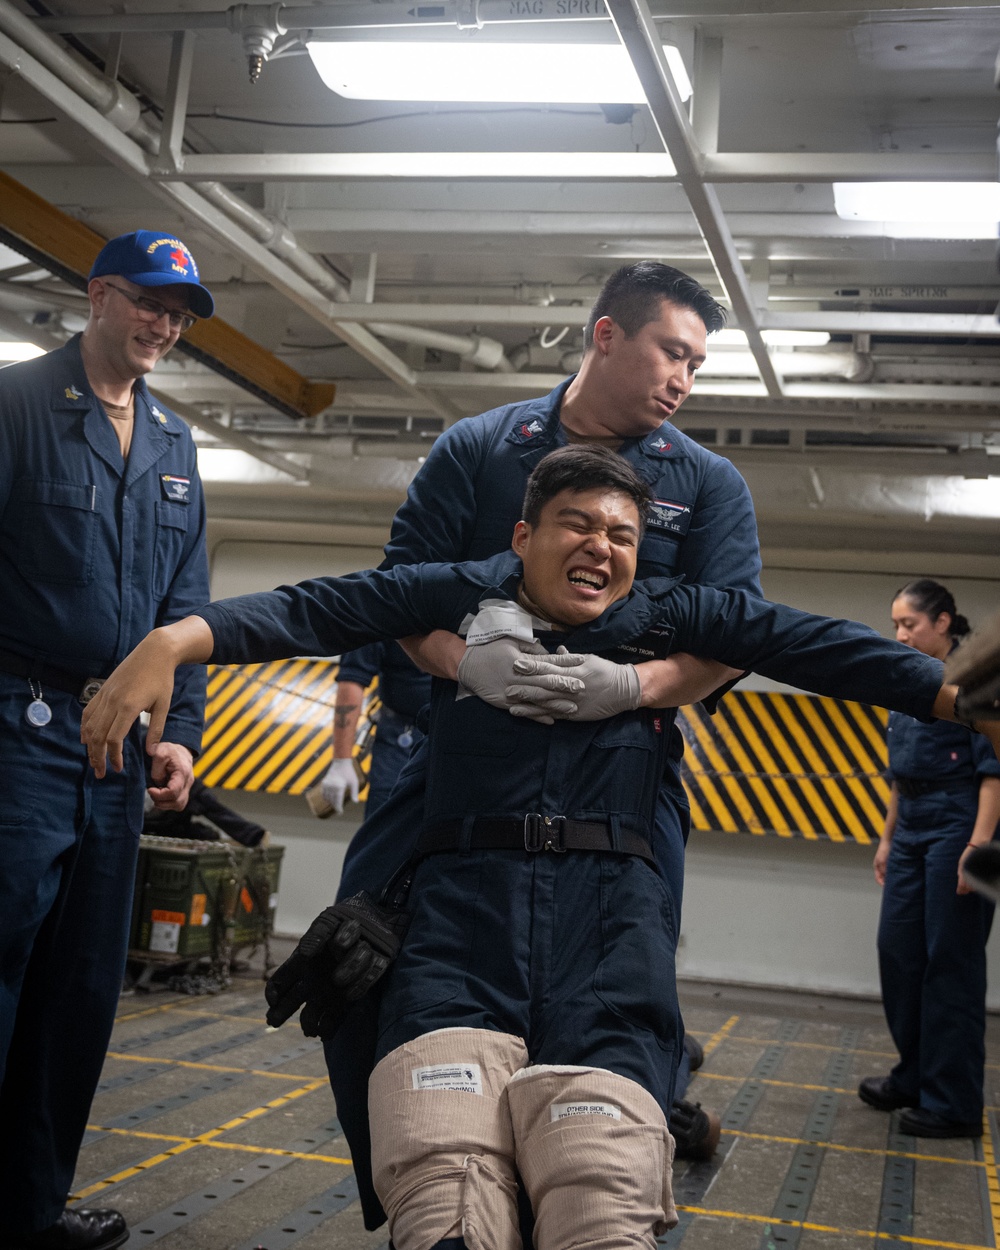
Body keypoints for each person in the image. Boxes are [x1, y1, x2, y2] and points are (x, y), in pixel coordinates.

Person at [80, 447, 1000, 1250]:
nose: (602, 546)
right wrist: (175, 639)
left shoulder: (675, 612)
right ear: (523, 538)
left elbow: (819, 647)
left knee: (600, 1196)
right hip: (458, 924)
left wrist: (962, 702)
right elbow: (321, 606)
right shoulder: (458, 591)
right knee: (444, 1187)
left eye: (622, 534)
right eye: (577, 524)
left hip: (612, 935)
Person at [334, 262, 757, 1169]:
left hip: (625, 779)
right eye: (672, 353)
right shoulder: (480, 449)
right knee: (361, 946)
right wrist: (471, 670)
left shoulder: (710, 485)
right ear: (607, 336)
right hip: (463, 762)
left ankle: (628, 1128)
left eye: (697, 364)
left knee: (629, 978)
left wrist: (632, 689)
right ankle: (428, 1158)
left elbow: (735, 636)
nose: (684, 379)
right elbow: (397, 596)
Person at [0, 230, 213, 1250]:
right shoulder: (18, 405)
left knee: (81, 982)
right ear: (98, 296)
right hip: (17, 724)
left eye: (177, 313)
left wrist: (184, 735)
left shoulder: (173, 444)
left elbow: (187, 607)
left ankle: (30, 1204)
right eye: (149, 303)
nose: (164, 325)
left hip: (121, 749)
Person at [859, 579, 1000, 1139]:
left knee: (950, 964)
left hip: (959, 825)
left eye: (909, 624)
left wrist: (978, 846)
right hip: (913, 827)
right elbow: (900, 775)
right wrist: (888, 838)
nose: (899, 634)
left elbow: (994, 774)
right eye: (895, 624)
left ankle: (954, 1103)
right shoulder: (909, 683)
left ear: (942, 623)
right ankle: (914, 1077)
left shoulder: (976, 681)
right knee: (899, 954)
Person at [319, 643, 430, 817]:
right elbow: (352, 678)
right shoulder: (383, 616)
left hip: (455, 734)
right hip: (399, 738)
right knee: (385, 821)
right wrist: (341, 760)